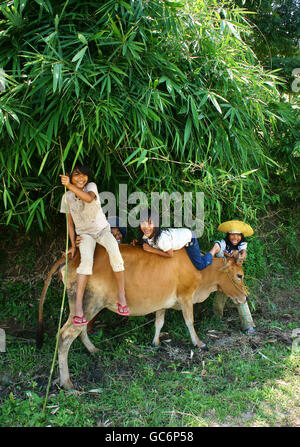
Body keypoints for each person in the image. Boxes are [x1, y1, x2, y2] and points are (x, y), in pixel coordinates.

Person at [60, 165, 129, 326]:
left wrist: (69, 185)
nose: (81, 178)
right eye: (76, 175)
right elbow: (69, 223)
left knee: (115, 253)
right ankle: (78, 308)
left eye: (84, 175)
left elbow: (89, 198)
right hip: (84, 234)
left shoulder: (91, 187)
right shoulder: (66, 197)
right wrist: (73, 245)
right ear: (69, 176)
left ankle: (121, 296)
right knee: (86, 263)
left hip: (102, 230)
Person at [210, 220, 255, 335]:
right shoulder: (223, 243)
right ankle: (217, 321)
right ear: (228, 235)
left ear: (241, 236)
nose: (235, 237)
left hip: (234, 276)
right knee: (218, 301)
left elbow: (243, 253)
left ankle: (248, 325)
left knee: (240, 296)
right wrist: (228, 255)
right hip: (221, 276)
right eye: (232, 235)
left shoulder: (242, 246)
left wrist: (240, 255)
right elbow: (218, 248)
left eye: (238, 235)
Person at [132, 209, 214, 271]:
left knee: (199, 265)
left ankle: (214, 250)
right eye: (143, 223)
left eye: (150, 223)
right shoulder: (147, 234)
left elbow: (170, 255)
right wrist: (138, 242)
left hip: (190, 238)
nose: (146, 227)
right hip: (178, 235)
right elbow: (145, 240)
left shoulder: (161, 240)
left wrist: (151, 250)